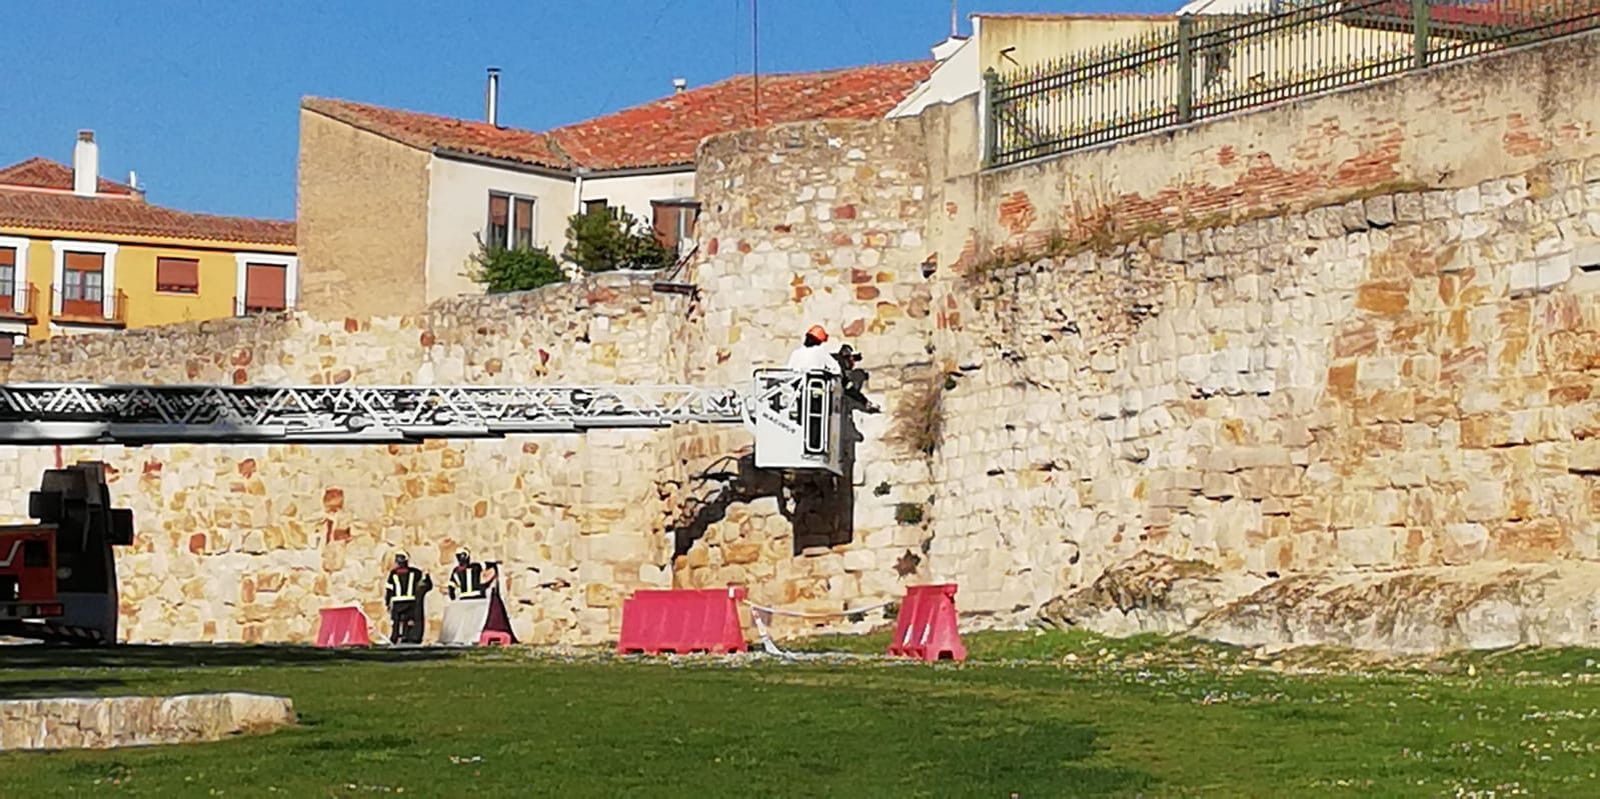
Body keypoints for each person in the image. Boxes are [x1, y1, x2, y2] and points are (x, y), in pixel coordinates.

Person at [384, 551, 432, 645]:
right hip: (411, 601)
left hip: (397, 601)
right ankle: (408, 636)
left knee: (396, 622)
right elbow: (426, 584)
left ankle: (395, 637)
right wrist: (427, 576)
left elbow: (389, 589)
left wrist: (387, 602)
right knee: (409, 620)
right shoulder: (415, 572)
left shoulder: (393, 573)